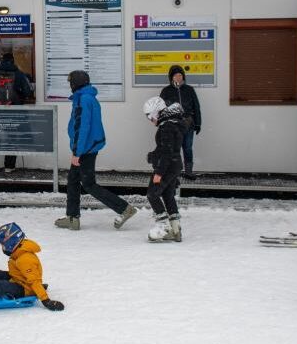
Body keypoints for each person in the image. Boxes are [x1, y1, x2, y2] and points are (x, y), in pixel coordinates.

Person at [54, 70, 136, 231]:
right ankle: (72, 217)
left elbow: (82, 127)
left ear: (75, 84)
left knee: (88, 184)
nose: (69, 86)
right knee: (73, 180)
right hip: (88, 146)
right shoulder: (88, 98)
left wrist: (77, 152)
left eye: (70, 83)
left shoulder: (83, 100)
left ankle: (124, 208)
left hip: (85, 149)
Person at [0, 51, 34, 172]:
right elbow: (27, 92)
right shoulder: (20, 75)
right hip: (13, 112)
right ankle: (9, 167)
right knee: (12, 138)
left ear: (1, 61)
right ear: (13, 61)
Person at [141, 97, 184, 243]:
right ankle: (176, 229)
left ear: (156, 112)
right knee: (167, 195)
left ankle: (163, 227)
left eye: (149, 115)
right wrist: (153, 156)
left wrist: (159, 172)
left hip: (167, 167)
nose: (149, 119)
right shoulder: (172, 124)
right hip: (174, 165)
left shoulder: (166, 127)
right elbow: (168, 149)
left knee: (152, 194)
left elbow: (167, 151)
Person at [159, 65, 202, 180]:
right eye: (175, 75)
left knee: (187, 148)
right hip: (173, 125)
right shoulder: (166, 91)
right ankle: (173, 172)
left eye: (180, 75)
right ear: (171, 77)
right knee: (173, 149)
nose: (178, 77)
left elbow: (196, 107)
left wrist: (198, 123)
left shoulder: (189, 90)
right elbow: (161, 109)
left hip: (188, 124)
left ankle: (188, 172)